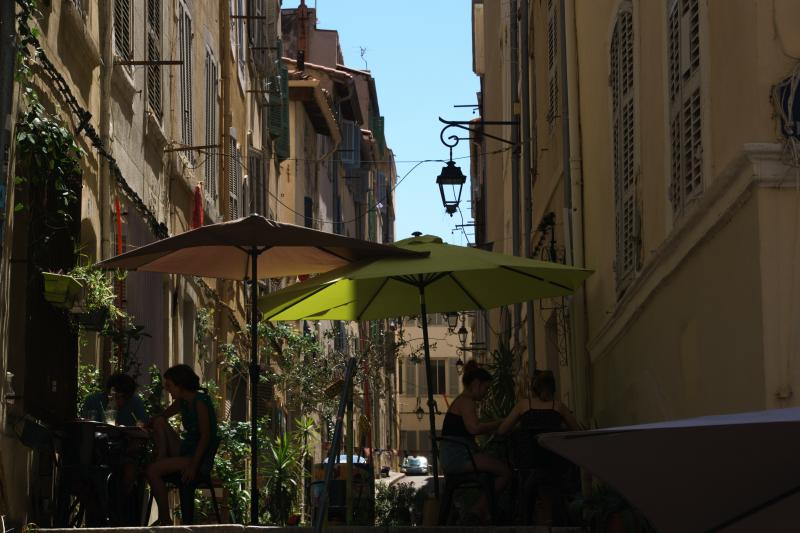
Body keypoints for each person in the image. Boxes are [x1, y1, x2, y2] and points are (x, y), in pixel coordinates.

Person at [498, 370, 579, 525]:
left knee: (532, 477)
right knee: (555, 474)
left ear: (534, 388)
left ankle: (530, 516)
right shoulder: (558, 407)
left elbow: (502, 430)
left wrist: (521, 429)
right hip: (554, 463)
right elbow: (577, 430)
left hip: (527, 463)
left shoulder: (523, 405)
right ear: (553, 388)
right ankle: (552, 516)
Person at [144, 364, 219, 525]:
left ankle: (164, 519)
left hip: (199, 456)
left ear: (181, 385)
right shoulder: (182, 402)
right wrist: (149, 422)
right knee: (159, 422)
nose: (168, 390)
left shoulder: (200, 402)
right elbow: (163, 416)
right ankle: (162, 458)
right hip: (186, 450)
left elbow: (205, 437)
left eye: (170, 386)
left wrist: (193, 466)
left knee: (152, 471)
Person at [440, 360, 511, 520]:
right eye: (486, 388)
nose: (486, 393)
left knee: (496, 467)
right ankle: (478, 510)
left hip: (454, 454)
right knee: (505, 472)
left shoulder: (461, 400)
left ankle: (483, 510)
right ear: (477, 384)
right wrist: (500, 422)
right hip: (458, 456)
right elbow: (474, 428)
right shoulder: (467, 402)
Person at [81, 373, 149, 426]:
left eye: (125, 398)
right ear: (107, 392)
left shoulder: (135, 401)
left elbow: (143, 425)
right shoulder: (93, 401)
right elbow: (87, 427)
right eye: (117, 397)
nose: (121, 402)